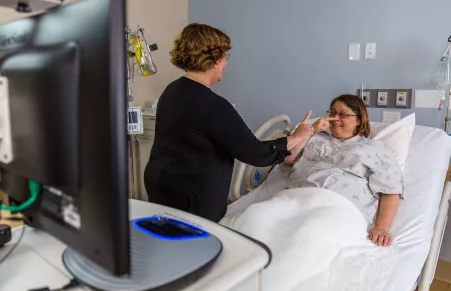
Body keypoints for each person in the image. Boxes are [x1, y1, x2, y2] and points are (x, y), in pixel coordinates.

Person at [144, 23, 313, 222]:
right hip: (190, 196)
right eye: (225, 56)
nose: (226, 62)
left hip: (161, 183)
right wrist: (296, 137)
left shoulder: (173, 90)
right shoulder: (212, 105)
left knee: (169, 241)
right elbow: (256, 153)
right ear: (214, 58)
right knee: (194, 246)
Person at [279, 94, 403, 247]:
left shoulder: (374, 148)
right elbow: (289, 160)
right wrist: (307, 132)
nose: (335, 118)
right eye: (332, 113)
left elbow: (390, 189)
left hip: (337, 212)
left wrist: (382, 228)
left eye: (343, 114)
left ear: (358, 120)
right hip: (296, 203)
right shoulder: (315, 138)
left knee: (303, 241)